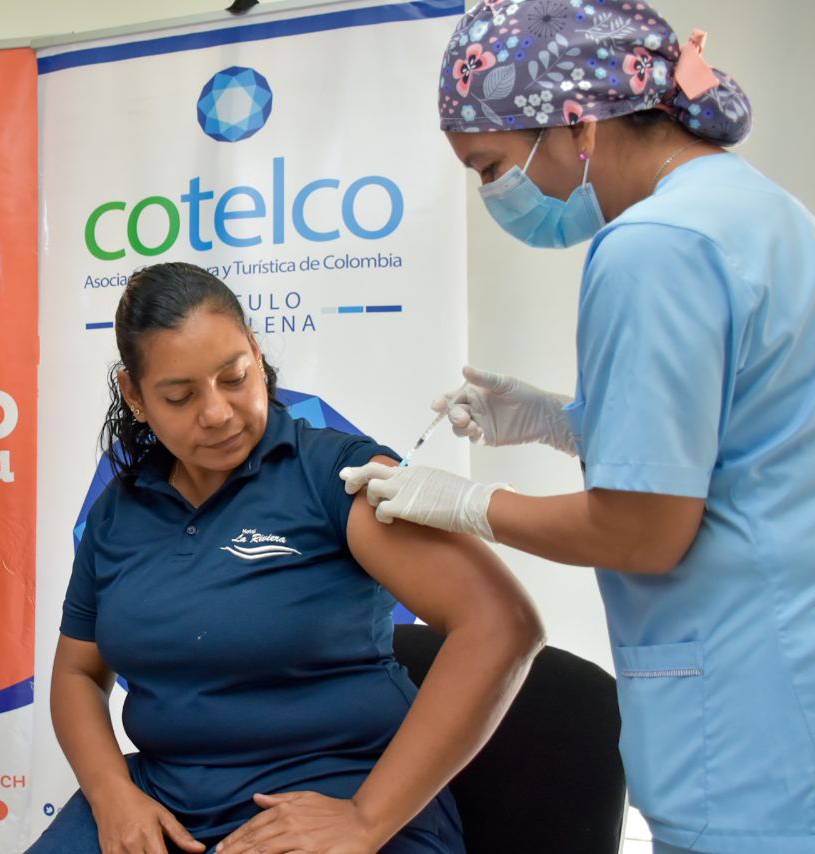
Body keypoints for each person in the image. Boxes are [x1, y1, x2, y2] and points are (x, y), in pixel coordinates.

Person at [342, 4, 815, 853]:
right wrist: (562, 421)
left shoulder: (650, 248)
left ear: (576, 124)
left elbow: (645, 530)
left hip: (750, 718)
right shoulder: (757, 211)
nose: (499, 194)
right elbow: (744, 433)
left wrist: (466, 502)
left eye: (490, 165)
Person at [29, 262, 543, 854]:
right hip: (165, 803)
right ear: (135, 395)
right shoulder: (117, 516)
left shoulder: (335, 474)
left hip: (336, 798)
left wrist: (365, 820)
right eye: (180, 395)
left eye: (234, 377)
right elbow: (76, 674)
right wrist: (110, 794)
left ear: (255, 350)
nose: (217, 411)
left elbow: (501, 624)